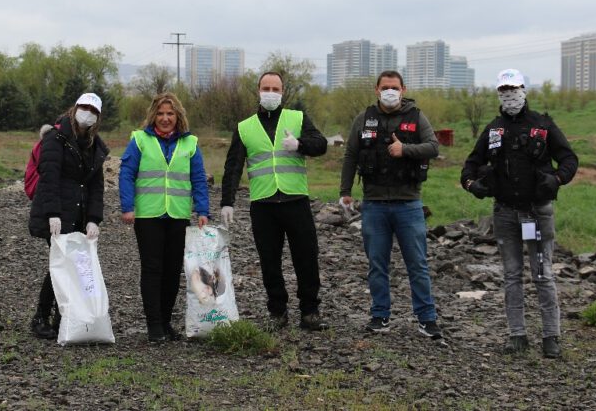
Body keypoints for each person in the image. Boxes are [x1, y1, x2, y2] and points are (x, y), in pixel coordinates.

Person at [461, 69, 578, 358]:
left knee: (542, 273)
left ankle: (551, 336)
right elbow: (470, 166)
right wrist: (472, 185)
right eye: (504, 90)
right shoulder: (493, 129)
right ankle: (517, 335)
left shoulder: (543, 125)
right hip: (504, 214)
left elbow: (569, 158)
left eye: (513, 89)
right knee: (512, 275)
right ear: (498, 94)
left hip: (536, 213)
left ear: (524, 90)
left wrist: (558, 179)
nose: (509, 95)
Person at [221, 71, 329, 331]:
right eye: (266, 88)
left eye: (275, 89)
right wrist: (227, 201)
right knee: (269, 261)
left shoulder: (297, 118)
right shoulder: (245, 127)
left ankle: (310, 311)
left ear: (282, 92)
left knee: (306, 257)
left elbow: (321, 144)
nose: (270, 93)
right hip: (263, 204)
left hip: (295, 200)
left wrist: (299, 144)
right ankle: (277, 311)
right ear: (258, 91)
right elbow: (233, 166)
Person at [339, 70, 443, 339]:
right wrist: (345, 191)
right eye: (385, 87)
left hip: (408, 204)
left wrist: (404, 150)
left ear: (403, 89)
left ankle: (427, 318)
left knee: (417, 264)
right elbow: (350, 155)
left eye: (395, 87)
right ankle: (380, 315)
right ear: (377, 89)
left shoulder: (416, 117)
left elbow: (433, 147)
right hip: (374, 204)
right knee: (377, 264)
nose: (390, 91)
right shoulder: (364, 119)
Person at [119, 92, 209, 343]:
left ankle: (166, 321)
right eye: (160, 113)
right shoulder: (140, 140)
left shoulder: (190, 144)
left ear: (178, 116)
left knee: (172, 271)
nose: (165, 118)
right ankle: (154, 325)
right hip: (148, 215)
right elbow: (126, 173)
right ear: (153, 116)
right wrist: (127, 206)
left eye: (170, 113)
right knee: (152, 269)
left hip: (178, 214)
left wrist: (202, 210)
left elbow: (198, 178)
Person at [28, 92, 109, 339]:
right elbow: (49, 177)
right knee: (62, 264)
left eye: (93, 111)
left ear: (98, 117)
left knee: (71, 265)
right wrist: (52, 213)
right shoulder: (55, 138)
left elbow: (96, 185)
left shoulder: (94, 145)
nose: (88, 114)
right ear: (75, 108)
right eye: (84, 108)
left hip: (79, 214)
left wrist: (94, 218)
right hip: (57, 213)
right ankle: (41, 316)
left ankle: (61, 317)